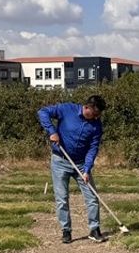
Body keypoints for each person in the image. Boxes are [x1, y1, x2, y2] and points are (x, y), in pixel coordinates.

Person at [37, 95, 107, 244]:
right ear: (87, 108)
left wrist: (87, 169)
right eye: (94, 114)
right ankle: (66, 231)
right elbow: (43, 112)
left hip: (81, 164)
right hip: (60, 161)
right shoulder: (66, 109)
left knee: (92, 197)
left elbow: (93, 148)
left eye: (98, 115)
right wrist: (52, 131)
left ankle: (95, 229)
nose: (96, 118)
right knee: (62, 198)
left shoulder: (96, 126)